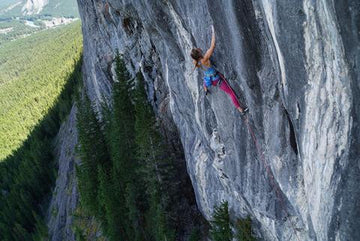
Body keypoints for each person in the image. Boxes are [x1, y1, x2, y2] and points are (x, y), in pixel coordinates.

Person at [190, 25, 248, 114]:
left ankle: (205, 88)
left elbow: (195, 56)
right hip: (216, 80)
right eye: (197, 50)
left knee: (206, 80)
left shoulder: (196, 62)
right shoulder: (204, 59)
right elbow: (212, 46)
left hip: (208, 79)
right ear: (198, 53)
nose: (198, 48)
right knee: (231, 93)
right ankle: (240, 110)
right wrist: (214, 32)